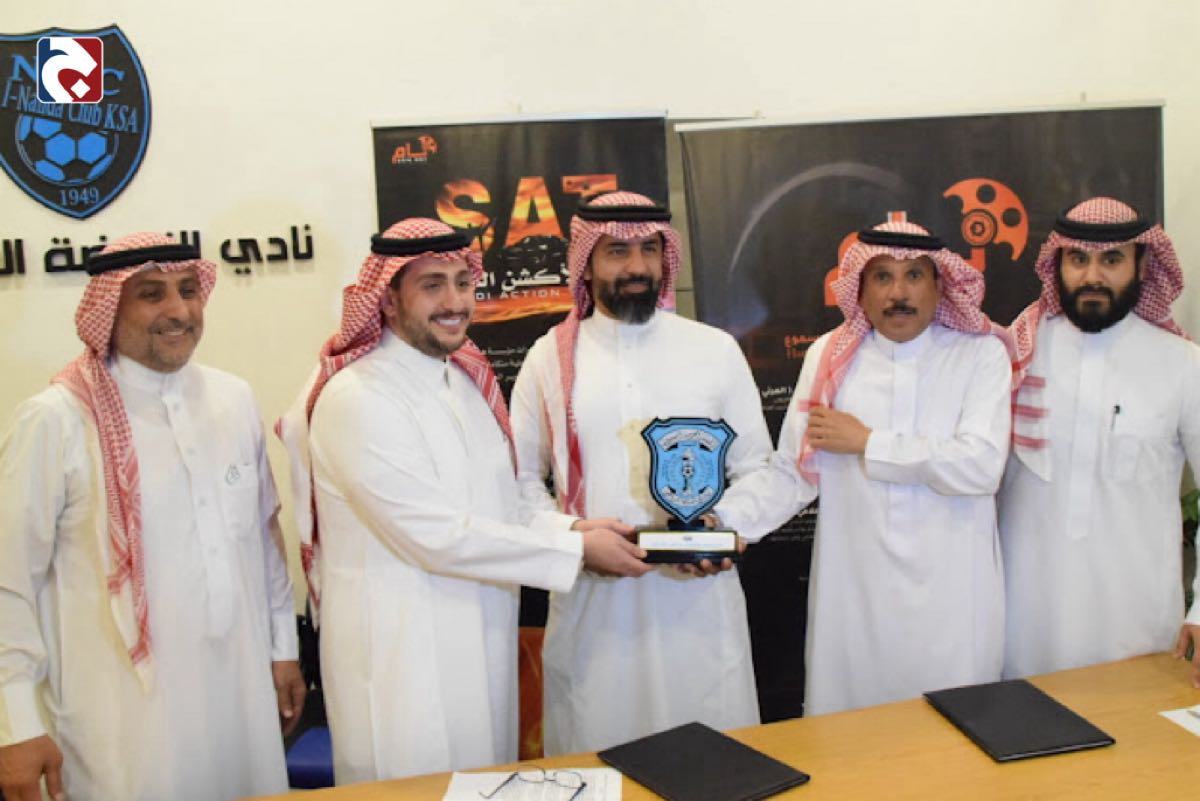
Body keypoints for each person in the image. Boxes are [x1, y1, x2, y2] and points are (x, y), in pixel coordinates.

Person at [277, 218, 648, 784]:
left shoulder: (464, 383)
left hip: (479, 642)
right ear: (388, 298)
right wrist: (577, 553)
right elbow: (433, 534)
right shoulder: (357, 397)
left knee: (481, 783)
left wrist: (571, 531)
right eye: (432, 285)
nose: (454, 302)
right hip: (402, 657)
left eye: (462, 282)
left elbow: (501, 507)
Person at [0, 233, 303, 801]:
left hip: (241, 696)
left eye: (188, 291)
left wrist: (283, 648)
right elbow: (8, 580)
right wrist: (15, 724)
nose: (179, 311)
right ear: (108, 308)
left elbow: (264, 540)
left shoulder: (233, 398)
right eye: (151, 294)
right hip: (122, 720)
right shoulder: (55, 419)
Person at [510, 191, 773, 754]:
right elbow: (518, 482)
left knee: (708, 763)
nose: (637, 266)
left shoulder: (714, 350)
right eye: (617, 251)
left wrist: (720, 528)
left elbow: (758, 469)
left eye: (649, 249)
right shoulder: (547, 358)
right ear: (586, 262)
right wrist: (575, 539)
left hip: (697, 604)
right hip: (595, 607)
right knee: (601, 760)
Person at [719, 219, 1012, 715]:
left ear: (939, 285)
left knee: (958, 738)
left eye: (914, 276)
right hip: (855, 596)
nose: (898, 293)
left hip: (953, 597)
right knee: (854, 735)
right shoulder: (830, 357)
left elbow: (981, 466)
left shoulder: (980, 355)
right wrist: (721, 524)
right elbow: (793, 473)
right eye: (882, 277)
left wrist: (868, 443)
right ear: (860, 287)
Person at [999, 196, 1200, 684]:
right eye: (1078, 259)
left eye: (1111, 260)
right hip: (1022, 628)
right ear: (1057, 264)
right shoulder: (1014, 352)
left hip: (1137, 629)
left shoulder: (1183, 364)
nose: (1092, 275)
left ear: (1141, 266)